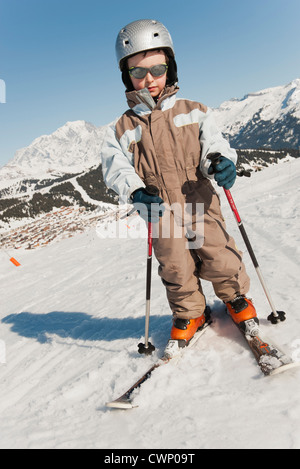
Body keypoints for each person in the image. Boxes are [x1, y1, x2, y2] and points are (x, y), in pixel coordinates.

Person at [101, 19, 258, 349]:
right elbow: (115, 168)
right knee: (174, 264)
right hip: (158, 208)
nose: (149, 80)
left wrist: (219, 161)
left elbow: (213, 143)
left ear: (170, 67)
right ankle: (190, 312)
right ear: (125, 75)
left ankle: (236, 298)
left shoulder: (195, 111)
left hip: (197, 196)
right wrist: (136, 191)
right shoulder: (122, 127)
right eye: (137, 72)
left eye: (157, 69)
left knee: (219, 253)